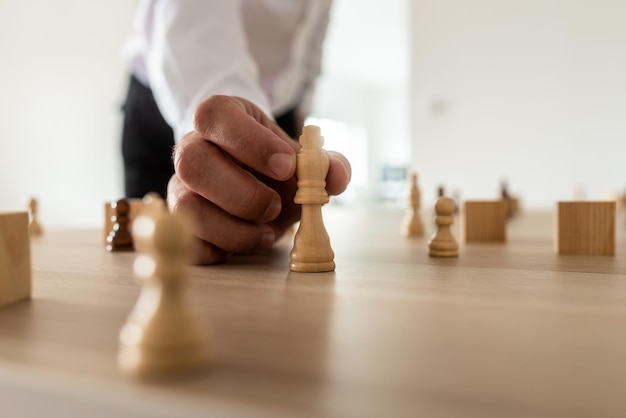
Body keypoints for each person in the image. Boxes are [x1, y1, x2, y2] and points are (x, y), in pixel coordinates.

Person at [121, 0, 351, 264]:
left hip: (277, 107)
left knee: (257, 251)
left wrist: (299, 125)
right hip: (170, 98)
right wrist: (234, 133)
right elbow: (195, 23)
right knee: (161, 252)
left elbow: (309, 49)